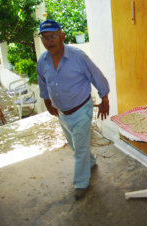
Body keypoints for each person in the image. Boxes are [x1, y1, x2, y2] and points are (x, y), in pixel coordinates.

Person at [36, 20, 110, 199]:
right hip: (62, 113)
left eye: (53, 36)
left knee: (80, 149)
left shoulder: (78, 56)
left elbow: (97, 76)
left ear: (62, 36)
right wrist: (47, 102)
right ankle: (90, 162)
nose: (49, 41)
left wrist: (104, 98)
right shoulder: (43, 61)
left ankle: (80, 183)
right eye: (44, 38)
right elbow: (43, 83)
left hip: (81, 110)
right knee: (75, 145)